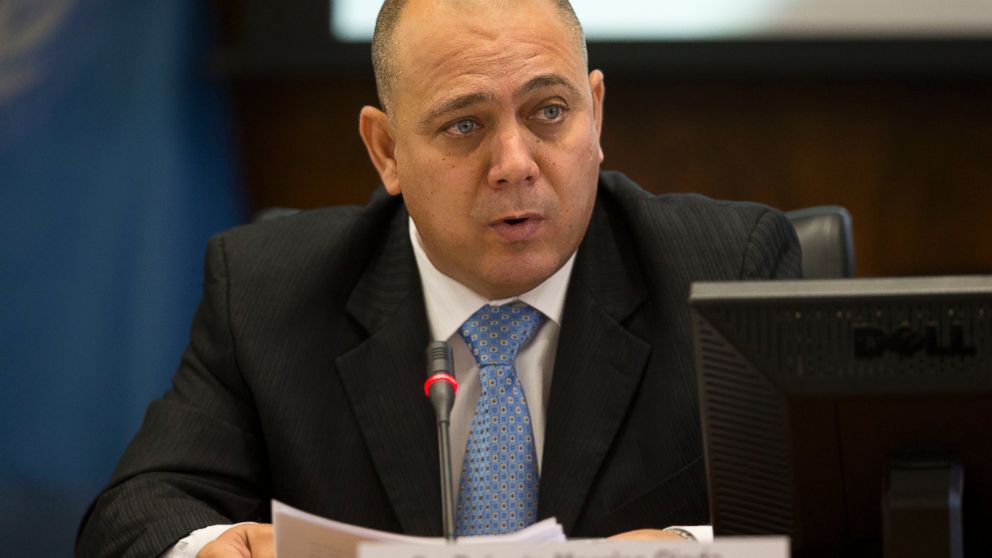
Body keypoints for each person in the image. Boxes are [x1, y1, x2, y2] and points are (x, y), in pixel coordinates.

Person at [76, 0, 801, 556]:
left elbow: (827, 515)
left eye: (550, 112)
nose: (515, 162)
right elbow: (138, 510)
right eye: (465, 125)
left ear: (597, 112)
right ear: (386, 149)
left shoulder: (722, 274)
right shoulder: (267, 290)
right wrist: (209, 548)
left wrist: (688, 547)